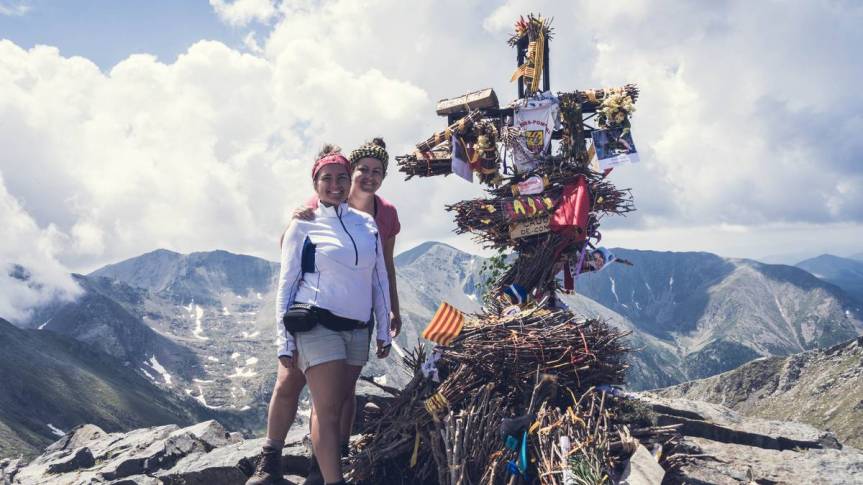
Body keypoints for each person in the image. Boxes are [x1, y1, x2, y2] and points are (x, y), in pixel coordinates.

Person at [247, 146, 392, 485]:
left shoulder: (368, 223)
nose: (336, 184)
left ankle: (319, 471)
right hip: (317, 323)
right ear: (315, 183)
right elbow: (287, 283)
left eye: (341, 178)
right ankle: (318, 475)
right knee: (325, 408)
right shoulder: (304, 223)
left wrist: (384, 328)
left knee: (341, 400)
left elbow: (379, 277)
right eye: (327, 179)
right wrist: (283, 340)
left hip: (356, 328)